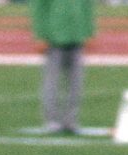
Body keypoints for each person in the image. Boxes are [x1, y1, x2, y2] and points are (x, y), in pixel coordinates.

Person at [31, 0, 95, 137]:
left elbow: (87, 7)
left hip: (76, 35)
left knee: (76, 83)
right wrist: (40, 35)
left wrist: (89, 32)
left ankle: (70, 120)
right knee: (52, 82)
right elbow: (39, 8)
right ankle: (52, 120)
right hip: (54, 36)